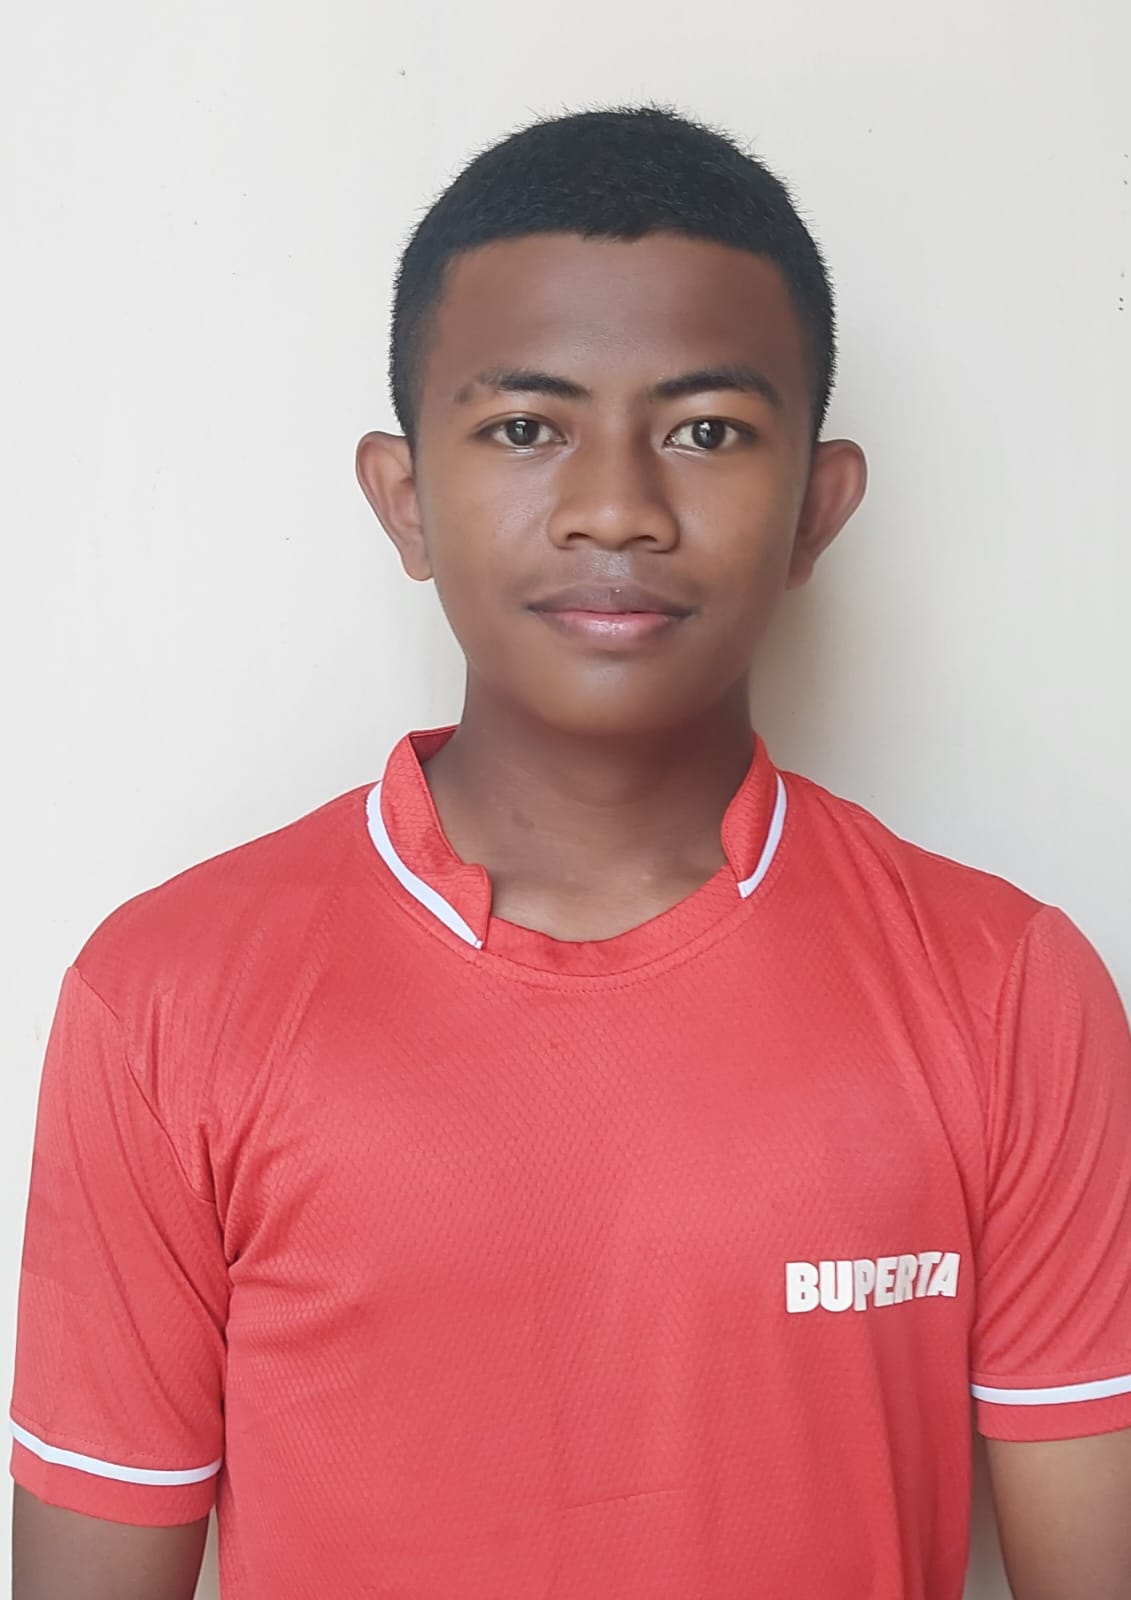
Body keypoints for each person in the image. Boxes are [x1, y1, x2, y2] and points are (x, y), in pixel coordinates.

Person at [9, 103, 1131, 1600]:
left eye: (707, 431)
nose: (617, 507)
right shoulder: (163, 999)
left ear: (818, 509)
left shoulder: (1009, 992)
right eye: (527, 428)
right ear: (405, 500)